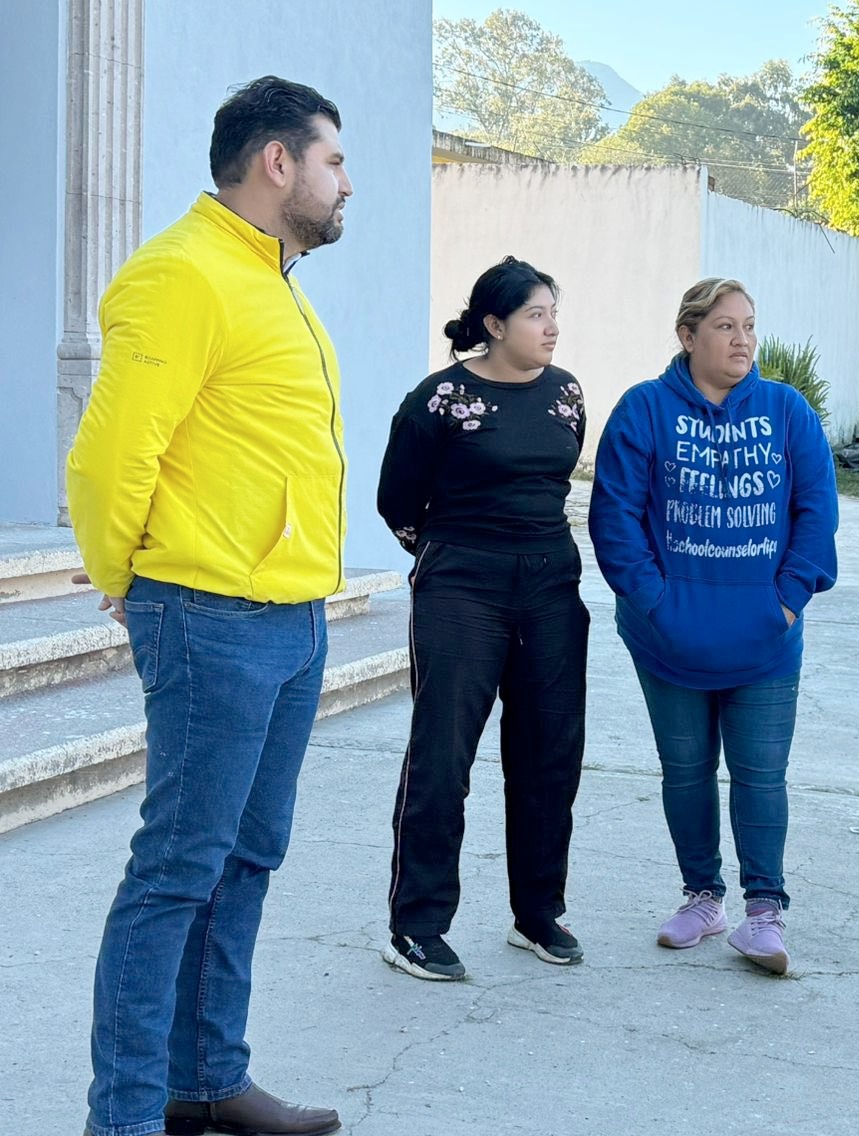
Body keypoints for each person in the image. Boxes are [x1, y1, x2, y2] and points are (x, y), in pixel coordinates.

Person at [66, 77, 351, 1136]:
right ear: (277, 162)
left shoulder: (272, 281)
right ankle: (129, 1116)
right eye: (332, 160)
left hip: (290, 617)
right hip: (210, 616)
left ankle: (206, 1079)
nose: (344, 181)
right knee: (175, 875)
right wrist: (125, 575)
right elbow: (111, 451)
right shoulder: (182, 275)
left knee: (245, 859)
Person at [587, 277, 838, 975]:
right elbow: (615, 520)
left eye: (749, 326)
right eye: (725, 326)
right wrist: (657, 608)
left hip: (764, 640)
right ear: (688, 335)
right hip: (666, 640)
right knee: (687, 771)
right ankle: (702, 898)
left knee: (761, 775)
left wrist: (786, 601)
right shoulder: (643, 410)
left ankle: (765, 915)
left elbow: (817, 510)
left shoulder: (787, 411)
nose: (742, 340)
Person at [377, 257, 589, 982]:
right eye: (536, 314)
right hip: (462, 588)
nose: (551, 326)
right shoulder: (438, 400)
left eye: (553, 311)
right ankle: (417, 926)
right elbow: (397, 502)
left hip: (552, 585)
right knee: (444, 757)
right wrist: (453, 557)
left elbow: (557, 479)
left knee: (550, 753)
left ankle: (538, 914)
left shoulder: (565, 393)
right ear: (494, 326)